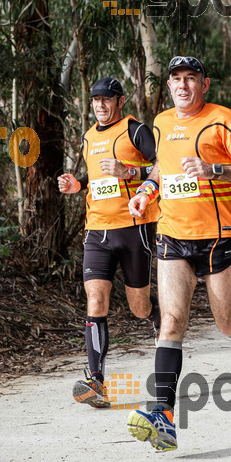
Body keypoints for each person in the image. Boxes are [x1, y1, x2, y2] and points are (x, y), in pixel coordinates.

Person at [126, 55, 231, 452]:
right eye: (176, 79)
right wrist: (144, 192)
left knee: (228, 323)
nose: (183, 85)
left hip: (218, 237)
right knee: (171, 320)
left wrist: (214, 169)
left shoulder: (224, 119)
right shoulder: (160, 123)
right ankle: (164, 415)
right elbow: (161, 169)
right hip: (173, 235)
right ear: (170, 85)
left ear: (204, 84)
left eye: (191, 78)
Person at [58, 77, 160, 407]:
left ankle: (160, 319)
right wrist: (78, 184)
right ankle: (96, 381)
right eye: (95, 100)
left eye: (106, 99)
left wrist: (128, 171)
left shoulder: (136, 130)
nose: (100, 105)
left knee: (139, 308)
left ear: (119, 102)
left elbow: (162, 167)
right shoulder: (88, 136)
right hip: (97, 230)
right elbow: (96, 177)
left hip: (135, 227)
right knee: (95, 301)